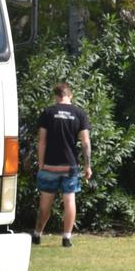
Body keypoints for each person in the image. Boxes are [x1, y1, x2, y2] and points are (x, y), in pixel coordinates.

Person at [33, 82, 92, 248]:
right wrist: (87, 166)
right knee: (69, 200)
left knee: (45, 204)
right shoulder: (80, 113)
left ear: (56, 96)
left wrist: (41, 164)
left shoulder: (48, 112)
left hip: (50, 165)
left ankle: (37, 234)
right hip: (70, 166)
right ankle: (66, 238)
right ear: (70, 95)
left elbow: (42, 141)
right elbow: (85, 142)